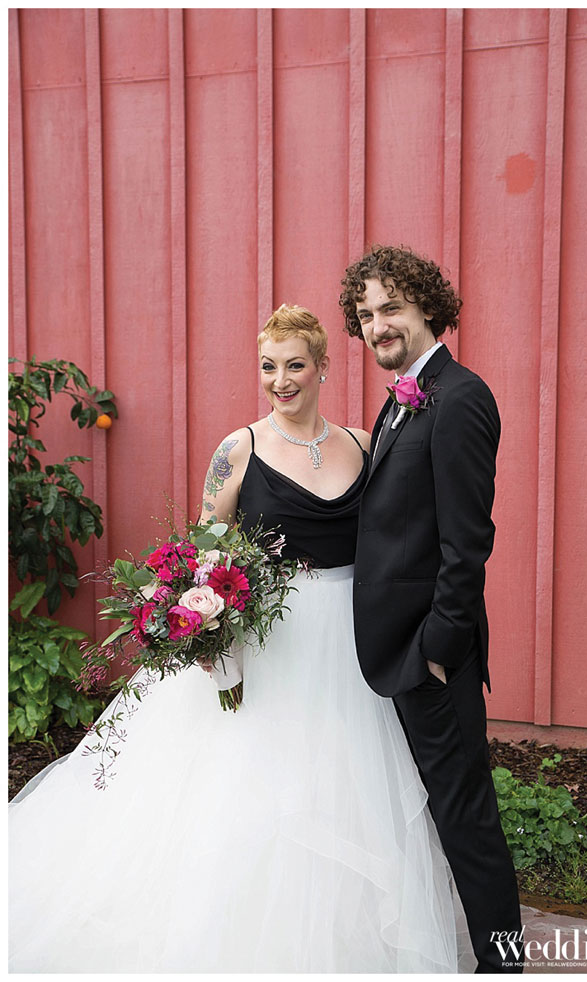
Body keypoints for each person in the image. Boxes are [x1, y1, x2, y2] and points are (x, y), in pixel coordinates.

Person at [9, 303, 474, 973]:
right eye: (268, 367)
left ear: (322, 367)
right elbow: (203, 546)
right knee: (253, 788)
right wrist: (207, 626)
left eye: (295, 366)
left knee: (345, 788)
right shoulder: (239, 450)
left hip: (349, 644)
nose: (281, 381)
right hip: (269, 643)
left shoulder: (361, 444)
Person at [340, 246, 524, 973]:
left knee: (465, 818)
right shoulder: (403, 398)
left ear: (426, 307)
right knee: (435, 811)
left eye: (391, 307)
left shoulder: (461, 396)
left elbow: (467, 541)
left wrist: (439, 650)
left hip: (430, 656)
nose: (378, 325)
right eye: (365, 315)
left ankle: (502, 966)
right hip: (399, 649)